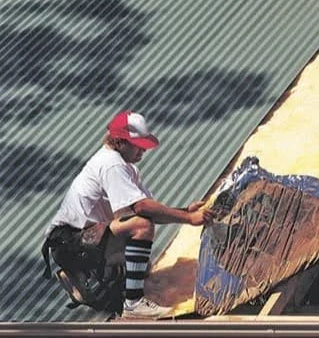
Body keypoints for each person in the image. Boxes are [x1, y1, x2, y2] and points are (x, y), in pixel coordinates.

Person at [42, 110, 213, 319]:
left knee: (142, 266)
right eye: (138, 145)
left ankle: (80, 276)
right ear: (119, 142)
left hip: (82, 242)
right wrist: (188, 219)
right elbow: (142, 210)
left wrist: (185, 211)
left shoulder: (126, 167)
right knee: (142, 227)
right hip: (70, 242)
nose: (143, 150)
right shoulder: (111, 164)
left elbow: (151, 207)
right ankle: (134, 302)